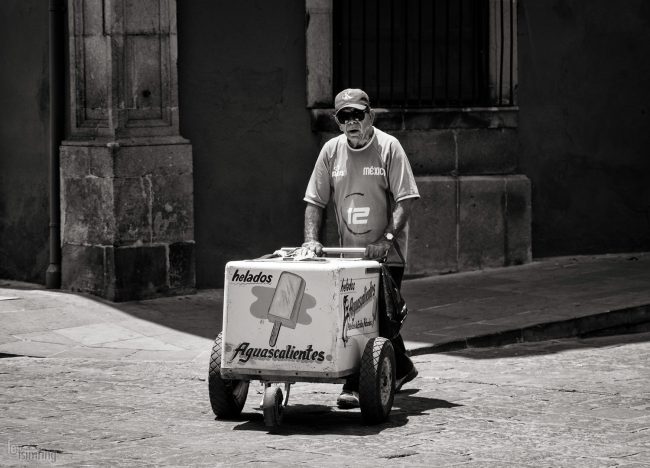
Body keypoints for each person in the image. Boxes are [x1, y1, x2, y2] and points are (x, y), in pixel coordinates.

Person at [301, 88, 420, 409]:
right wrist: (311, 240)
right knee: (370, 318)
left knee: (371, 319)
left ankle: (355, 383)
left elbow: (407, 199)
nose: (352, 121)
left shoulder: (389, 148)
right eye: (344, 116)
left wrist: (387, 240)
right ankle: (403, 367)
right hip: (350, 256)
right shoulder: (331, 151)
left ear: (370, 116)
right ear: (337, 122)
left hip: (387, 254)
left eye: (357, 114)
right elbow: (314, 201)